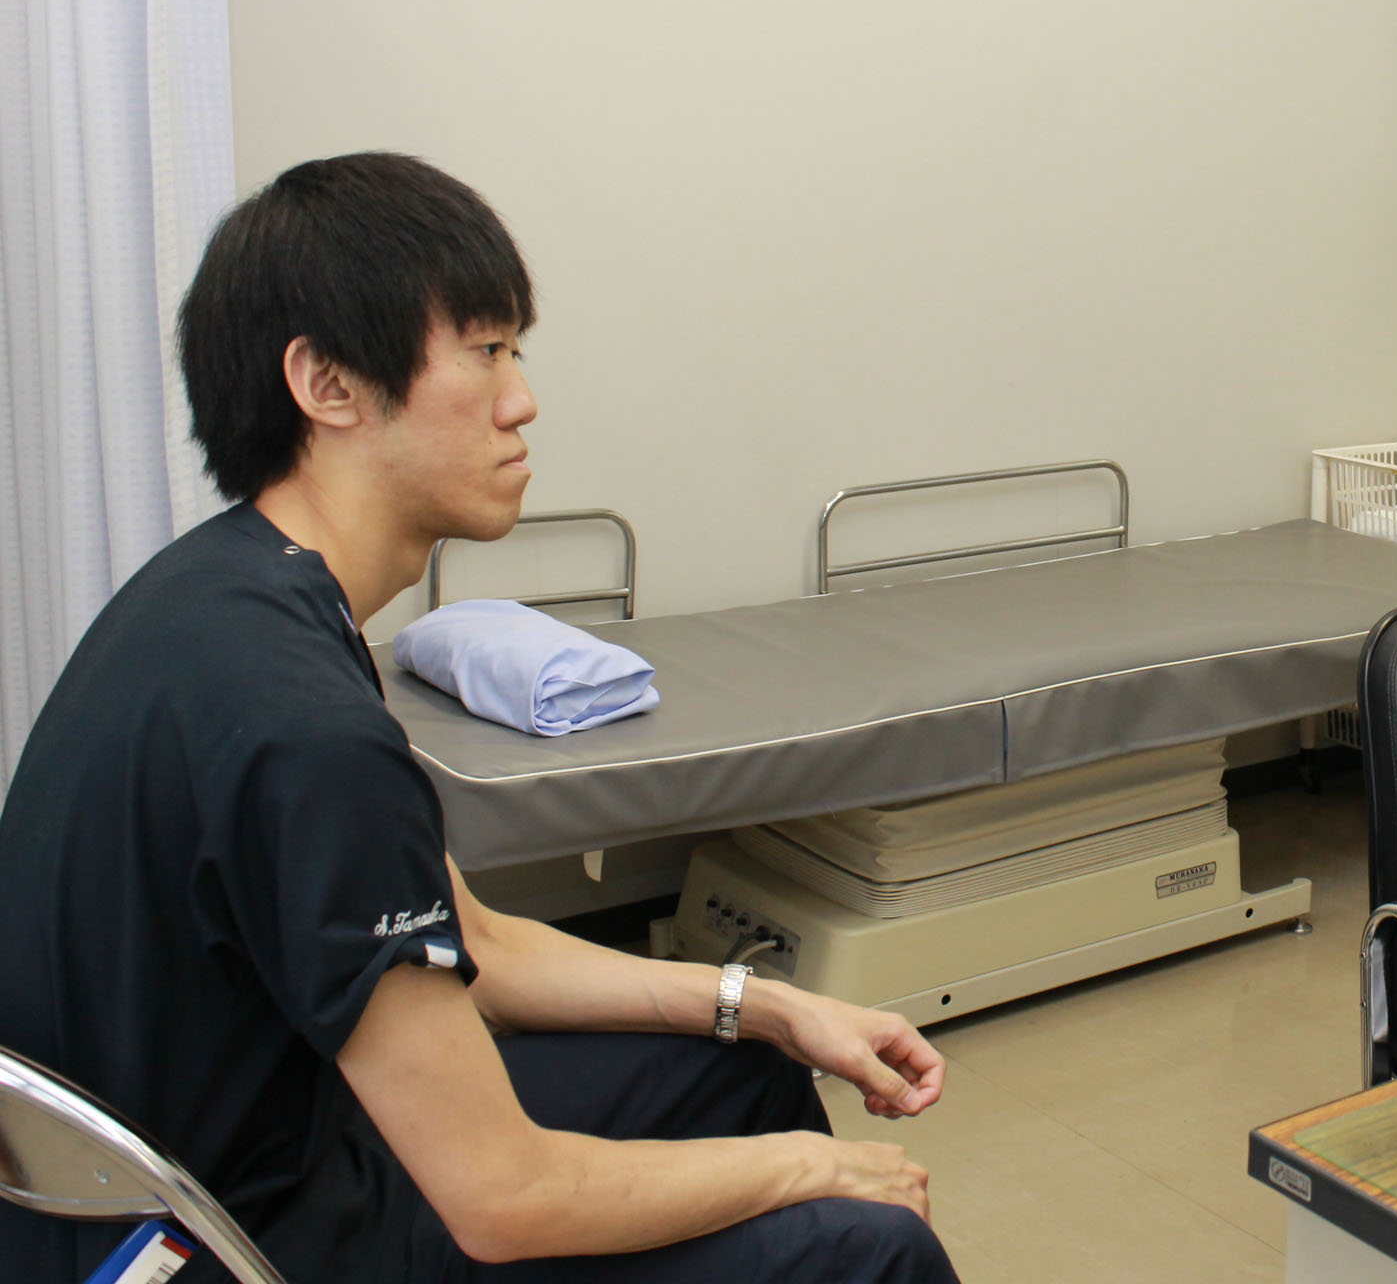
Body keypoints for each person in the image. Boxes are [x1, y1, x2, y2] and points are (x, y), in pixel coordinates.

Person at [0, 154, 960, 1283]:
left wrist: (769, 1007)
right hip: (222, 1245)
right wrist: (813, 1169)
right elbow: (506, 1200)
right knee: (869, 1246)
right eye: (487, 350)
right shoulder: (303, 729)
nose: (522, 399)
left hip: (208, 1177)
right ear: (327, 384)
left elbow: (480, 947)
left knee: (740, 1070)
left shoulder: (229, 597)